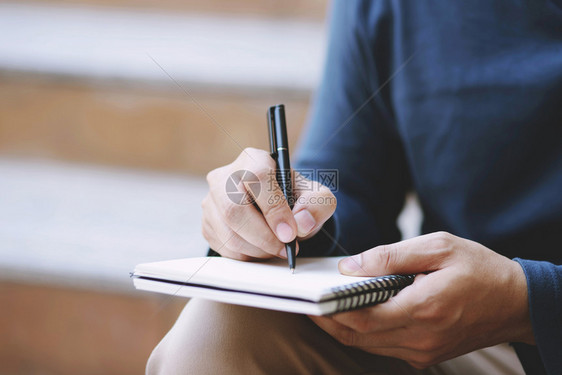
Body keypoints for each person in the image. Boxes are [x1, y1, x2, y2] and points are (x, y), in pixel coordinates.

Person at [147, 1, 562, 374]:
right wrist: (285, 208)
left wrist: (530, 303)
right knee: (217, 333)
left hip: (529, 320)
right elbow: (352, 182)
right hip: (460, 328)